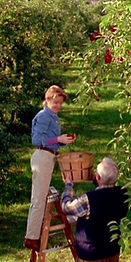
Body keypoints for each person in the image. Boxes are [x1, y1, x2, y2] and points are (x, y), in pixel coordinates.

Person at [24, 85, 75, 250]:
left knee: (42, 196)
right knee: (38, 198)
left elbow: (50, 138)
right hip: (42, 156)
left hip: (49, 156)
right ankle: (31, 238)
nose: (58, 106)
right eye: (55, 102)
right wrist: (57, 139)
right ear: (47, 100)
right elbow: (37, 140)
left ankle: (38, 233)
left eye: (60, 103)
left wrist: (61, 140)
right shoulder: (44, 116)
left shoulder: (52, 116)